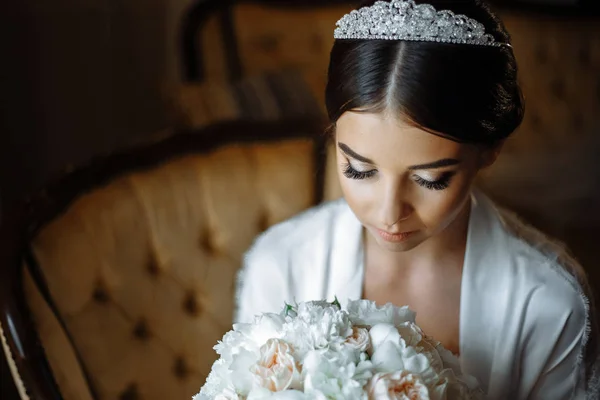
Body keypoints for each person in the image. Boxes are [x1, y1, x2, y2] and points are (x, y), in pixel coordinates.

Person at [233, 0, 599, 398]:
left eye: (430, 179)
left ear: (489, 150)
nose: (390, 213)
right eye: (359, 170)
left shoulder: (548, 305)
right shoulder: (280, 264)